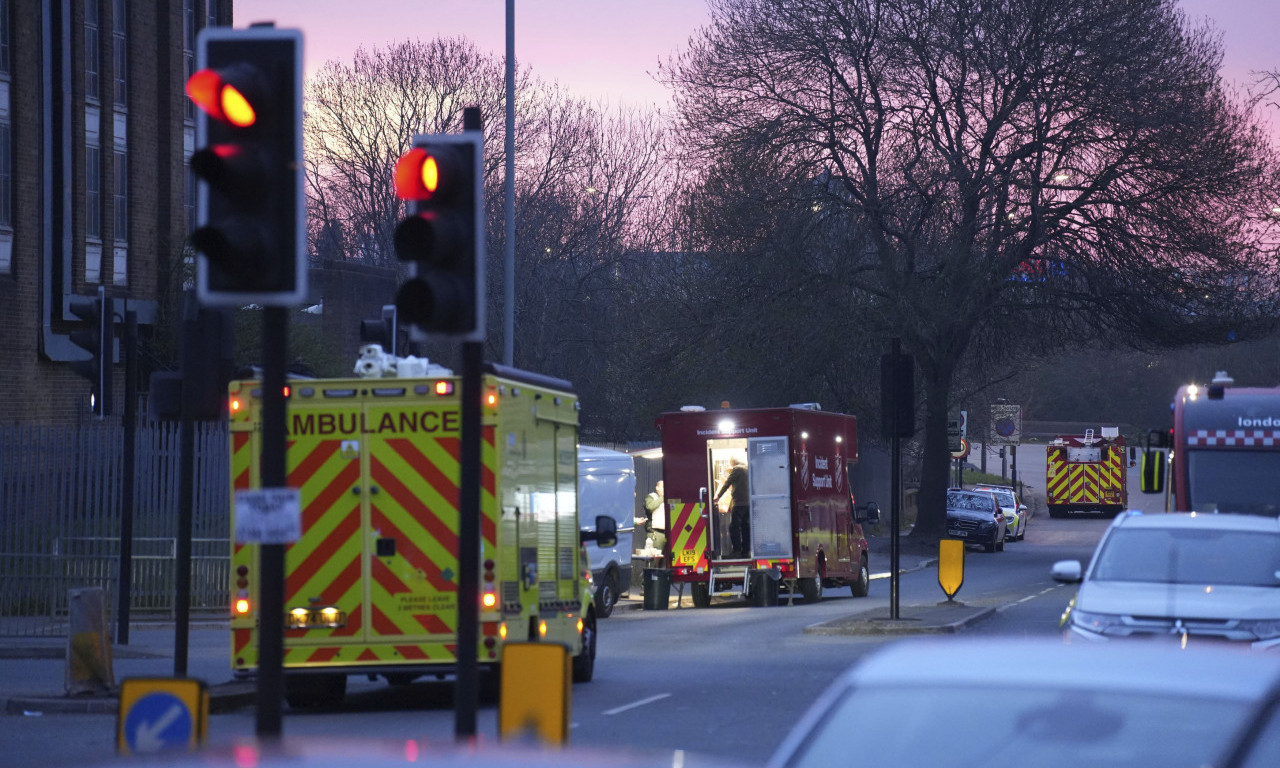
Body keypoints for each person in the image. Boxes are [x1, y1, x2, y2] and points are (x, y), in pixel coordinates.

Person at [715, 456, 750, 558]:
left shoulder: (737, 469)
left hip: (739, 503)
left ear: (733, 462)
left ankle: (736, 551)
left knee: (734, 527)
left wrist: (718, 497)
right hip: (748, 504)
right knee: (745, 527)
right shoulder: (748, 468)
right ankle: (746, 552)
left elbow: (727, 483)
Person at [641, 480, 666, 551]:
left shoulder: (669, 498)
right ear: (657, 488)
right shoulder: (651, 496)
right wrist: (662, 498)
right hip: (656, 534)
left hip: (668, 534)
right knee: (655, 557)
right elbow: (650, 506)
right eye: (663, 487)